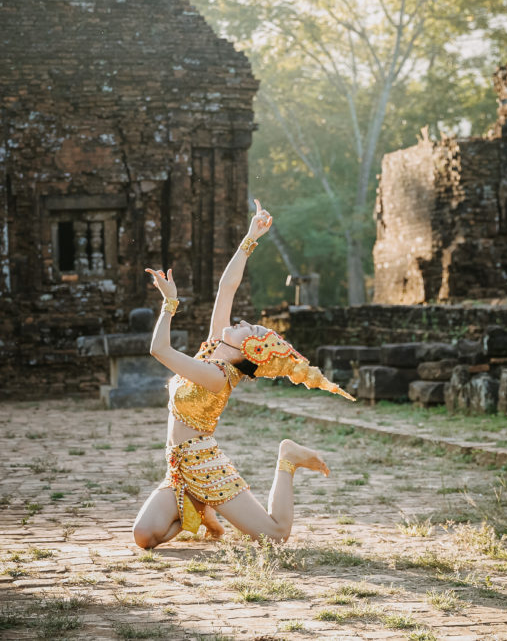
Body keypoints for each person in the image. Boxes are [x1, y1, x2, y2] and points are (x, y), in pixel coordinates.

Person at [132, 200, 355, 549]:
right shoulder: (211, 349)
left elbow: (159, 349)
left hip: (207, 466)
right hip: (178, 470)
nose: (241, 322)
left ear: (246, 351)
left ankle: (288, 457)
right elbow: (227, 287)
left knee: (275, 535)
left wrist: (169, 303)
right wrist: (250, 238)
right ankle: (199, 512)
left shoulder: (218, 375)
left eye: (246, 327)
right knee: (144, 537)